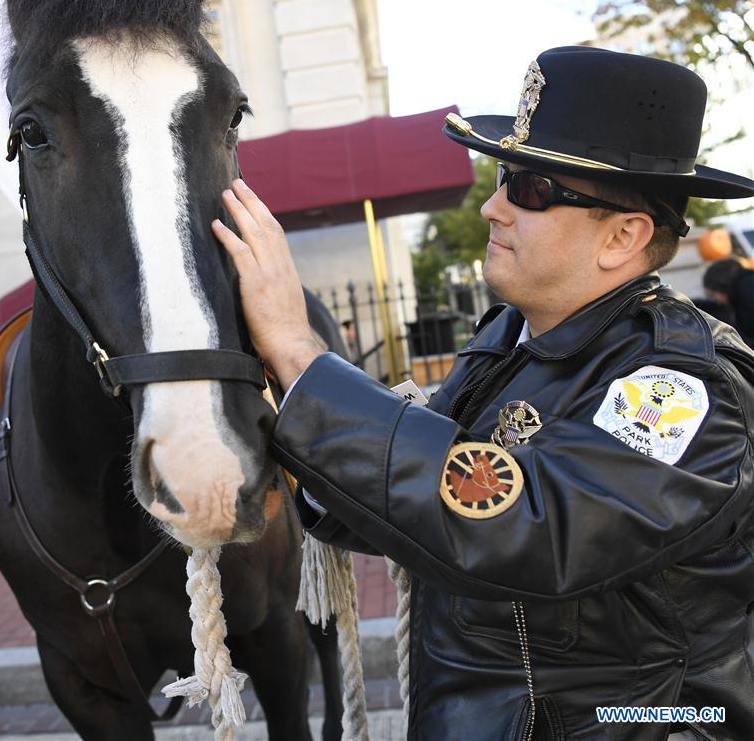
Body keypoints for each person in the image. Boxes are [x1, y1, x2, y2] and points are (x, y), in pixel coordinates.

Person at [212, 46, 754, 740]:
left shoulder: (684, 385)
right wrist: (279, 390)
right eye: (503, 176)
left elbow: (525, 527)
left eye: (530, 190)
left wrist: (301, 352)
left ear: (622, 236)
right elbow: (420, 499)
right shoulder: (510, 338)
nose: (493, 207)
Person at [702, 257, 754, 348]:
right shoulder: (742, 290)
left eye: (713, 295)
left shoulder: (746, 287)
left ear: (720, 286)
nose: (717, 301)